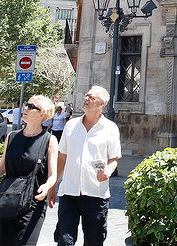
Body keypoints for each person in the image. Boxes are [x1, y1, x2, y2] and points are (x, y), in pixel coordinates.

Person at [0, 96, 58, 246]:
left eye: (33, 107)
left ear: (42, 115)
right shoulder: (11, 137)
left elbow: (53, 175)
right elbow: (1, 169)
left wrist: (46, 187)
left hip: (33, 203)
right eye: (27, 105)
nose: (26, 108)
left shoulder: (49, 140)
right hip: (8, 200)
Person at [49, 86, 122, 246]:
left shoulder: (110, 129)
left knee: (94, 241)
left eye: (90, 97)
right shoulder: (71, 125)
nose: (85, 99)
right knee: (65, 241)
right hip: (69, 192)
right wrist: (53, 186)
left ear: (101, 103)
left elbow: (114, 159)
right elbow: (62, 158)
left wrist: (107, 172)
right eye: (85, 96)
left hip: (96, 193)